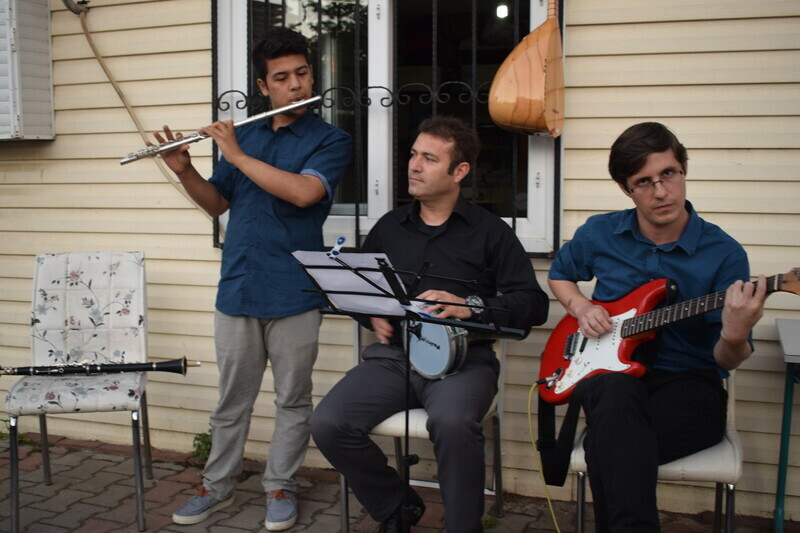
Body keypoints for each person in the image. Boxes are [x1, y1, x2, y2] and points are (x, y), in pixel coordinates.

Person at [311, 115, 549, 533]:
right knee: (328, 423)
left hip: (464, 363)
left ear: (459, 171)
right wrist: (371, 312)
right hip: (394, 360)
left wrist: (469, 306)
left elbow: (533, 304)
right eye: (413, 154)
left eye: (429, 159)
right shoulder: (390, 227)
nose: (414, 166)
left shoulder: (491, 232)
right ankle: (397, 506)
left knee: (453, 424)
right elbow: (360, 292)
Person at [158, 27, 352, 531]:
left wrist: (238, 154)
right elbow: (218, 203)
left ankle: (280, 486)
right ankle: (216, 486)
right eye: (282, 78)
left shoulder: (331, 139)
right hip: (240, 285)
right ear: (263, 87)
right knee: (232, 400)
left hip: (295, 290)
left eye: (302, 73)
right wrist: (184, 171)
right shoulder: (244, 135)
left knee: (293, 399)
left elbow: (305, 193)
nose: (296, 85)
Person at [547, 122, 767, 533]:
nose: (661, 191)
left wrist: (735, 334)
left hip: (689, 384)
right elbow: (560, 274)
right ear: (625, 189)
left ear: (684, 170)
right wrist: (581, 306)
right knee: (616, 402)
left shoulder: (724, 254)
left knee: (611, 443)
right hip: (610, 377)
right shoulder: (599, 233)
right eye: (644, 182)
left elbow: (727, 360)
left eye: (668, 174)